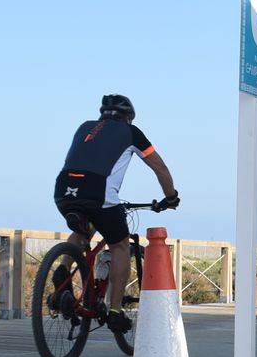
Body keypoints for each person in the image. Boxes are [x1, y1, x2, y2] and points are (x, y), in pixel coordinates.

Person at [53, 94, 179, 334]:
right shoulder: (131, 133)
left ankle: (63, 267)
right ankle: (114, 311)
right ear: (128, 117)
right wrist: (171, 197)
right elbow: (160, 168)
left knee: (83, 231)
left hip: (64, 189)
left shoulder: (85, 127)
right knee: (120, 244)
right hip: (98, 192)